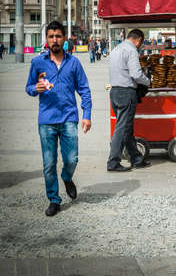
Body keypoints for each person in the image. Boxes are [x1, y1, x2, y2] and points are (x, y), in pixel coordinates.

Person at [25, 21, 92, 217]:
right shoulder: (38, 63)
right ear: (46, 39)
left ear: (64, 39)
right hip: (46, 120)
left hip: (69, 117)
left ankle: (67, 177)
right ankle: (54, 199)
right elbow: (29, 87)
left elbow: (85, 90)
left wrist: (86, 115)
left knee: (71, 159)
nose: (55, 40)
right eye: (51, 36)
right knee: (48, 163)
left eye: (58, 36)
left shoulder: (74, 63)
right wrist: (34, 89)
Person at [107, 29, 151, 172]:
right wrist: (148, 81)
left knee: (126, 128)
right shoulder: (131, 50)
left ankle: (136, 158)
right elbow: (136, 74)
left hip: (114, 91)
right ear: (138, 40)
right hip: (126, 92)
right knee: (122, 128)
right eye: (141, 43)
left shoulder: (116, 49)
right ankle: (113, 162)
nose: (140, 46)